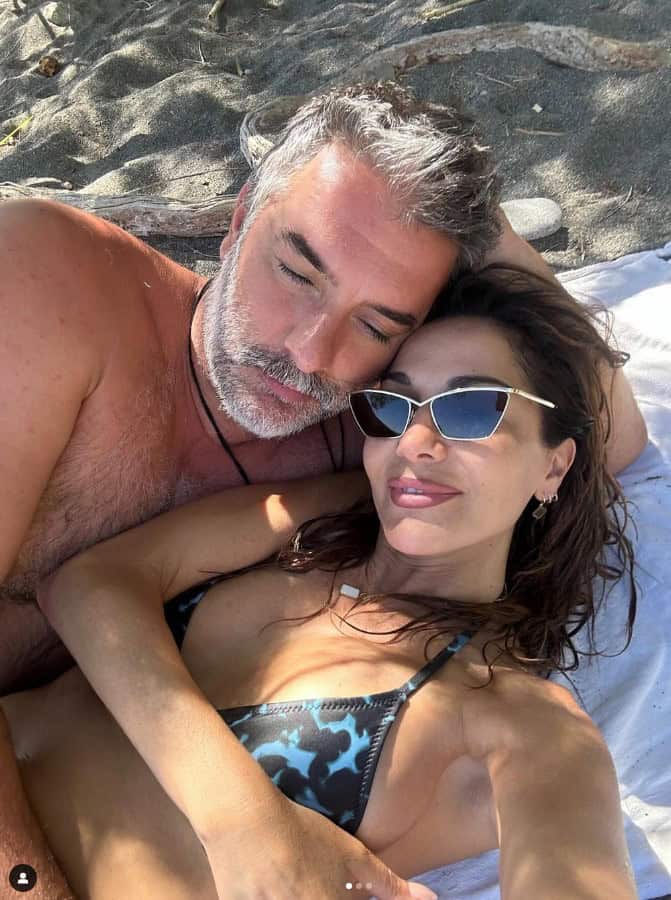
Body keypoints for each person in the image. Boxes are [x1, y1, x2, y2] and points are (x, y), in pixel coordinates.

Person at [1, 268, 644, 899]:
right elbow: (84, 587)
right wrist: (243, 817)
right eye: (392, 407)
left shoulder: (520, 720)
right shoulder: (324, 519)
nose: (415, 442)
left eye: (470, 409)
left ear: (554, 465)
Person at [0, 82, 646, 699]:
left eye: (375, 325)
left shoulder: (369, 431)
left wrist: (475, 218)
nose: (309, 354)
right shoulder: (51, 282)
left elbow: (609, 438)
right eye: (296, 274)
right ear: (239, 221)